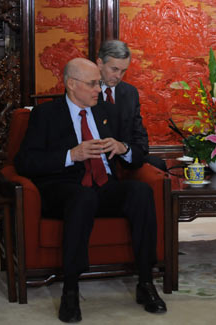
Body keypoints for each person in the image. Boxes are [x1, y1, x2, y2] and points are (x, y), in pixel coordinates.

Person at [14, 58, 167, 323]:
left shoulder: (107, 111)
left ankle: (145, 282)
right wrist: (70, 155)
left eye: (99, 82)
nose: (100, 88)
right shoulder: (46, 114)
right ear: (72, 84)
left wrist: (124, 149)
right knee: (82, 197)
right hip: (62, 190)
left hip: (103, 186)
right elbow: (25, 162)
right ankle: (70, 291)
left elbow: (140, 151)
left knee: (140, 192)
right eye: (93, 83)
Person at [96, 39, 167, 172]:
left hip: (125, 158)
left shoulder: (130, 92)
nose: (118, 76)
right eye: (114, 69)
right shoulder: (85, 90)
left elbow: (140, 138)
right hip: (97, 159)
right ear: (100, 63)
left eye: (123, 71)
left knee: (158, 164)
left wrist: (125, 149)